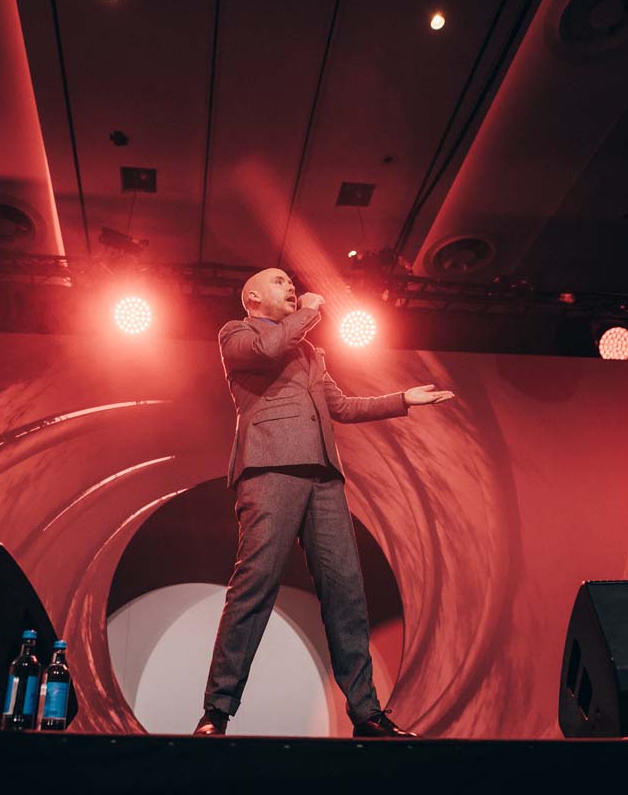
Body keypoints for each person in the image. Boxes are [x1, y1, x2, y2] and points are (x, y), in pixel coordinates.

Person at [195, 268, 455, 738]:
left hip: (323, 478)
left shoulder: (309, 352)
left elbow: (342, 407)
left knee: (346, 592)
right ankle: (216, 710)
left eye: (291, 282)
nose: (290, 286)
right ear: (252, 297)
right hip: (271, 467)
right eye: (278, 282)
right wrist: (311, 313)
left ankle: (366, 713)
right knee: (255, 586)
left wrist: (403, 399)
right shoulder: (237, 333)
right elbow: (267, 350)